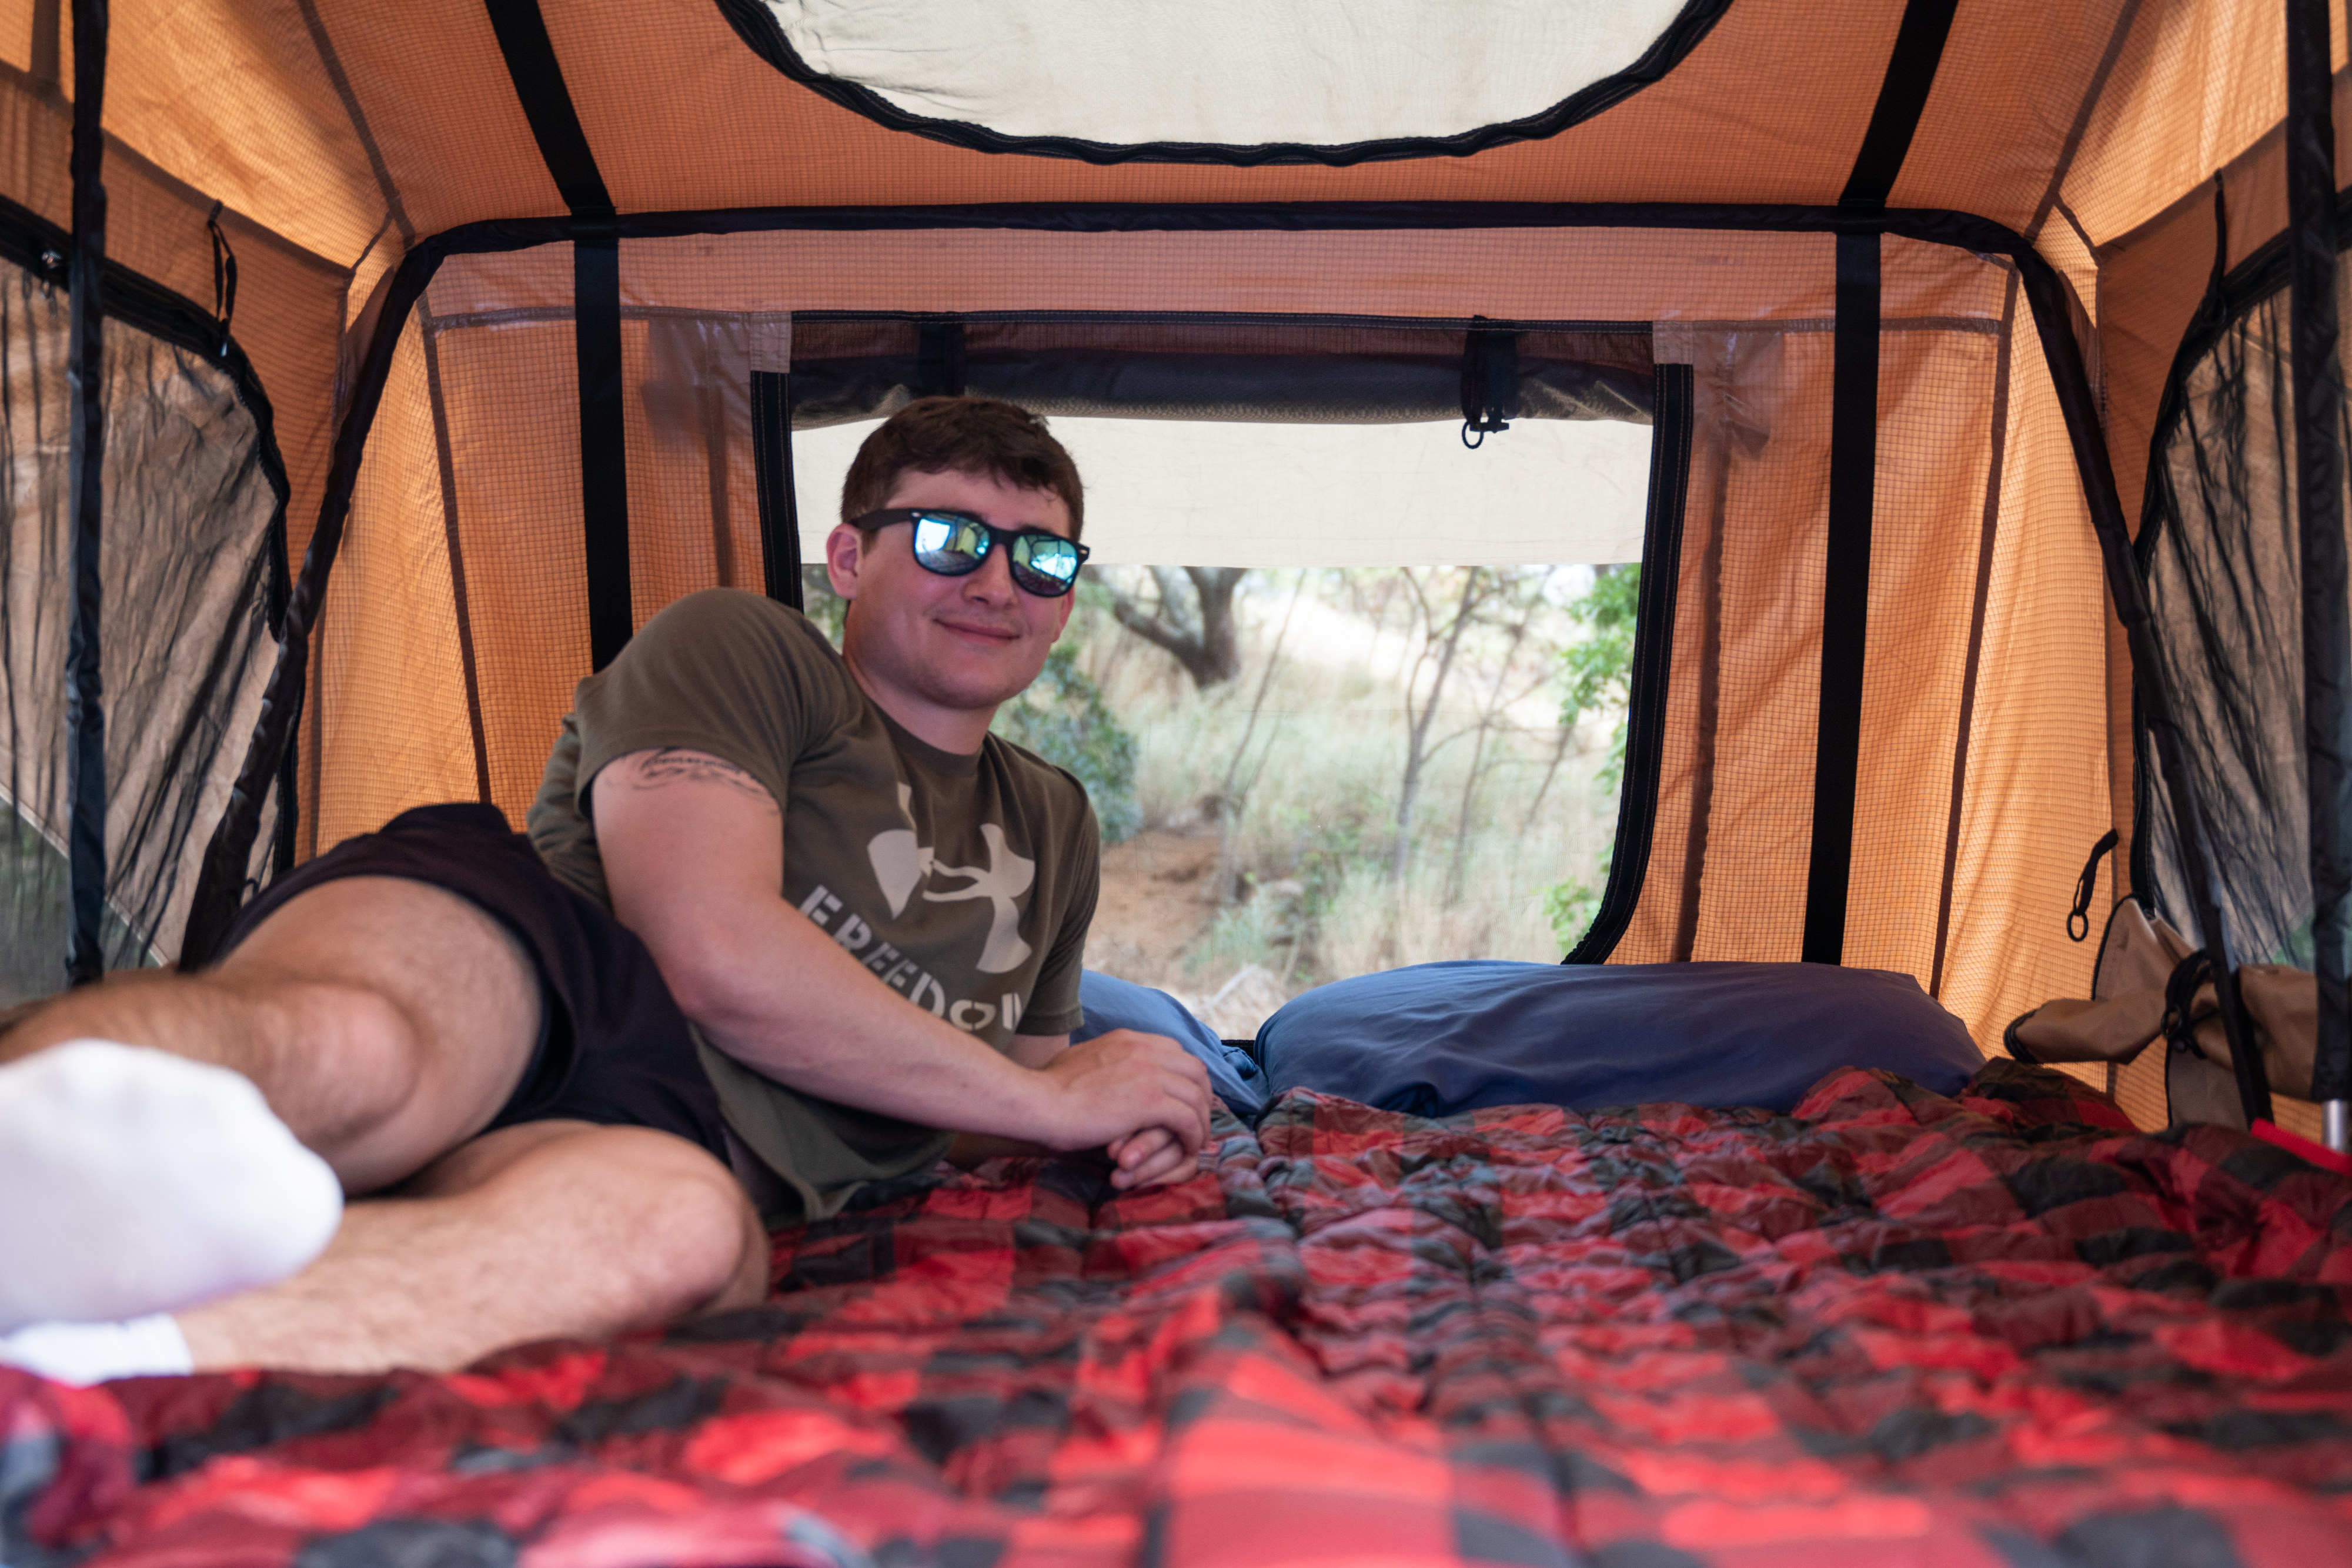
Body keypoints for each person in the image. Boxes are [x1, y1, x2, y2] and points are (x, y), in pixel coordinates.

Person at [0, 396, 1213, 1383]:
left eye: (1043, 557)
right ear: (848, 556)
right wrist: (1048, 1098)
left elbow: (1003, 1094)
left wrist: (1120, 1103)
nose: (1000, 582)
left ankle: (72, 1363)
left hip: (696, 1139)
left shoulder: (1053, 818)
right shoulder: (751, 645)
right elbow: (707, 945)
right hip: (550, 954)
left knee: (669, 1236)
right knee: (352, 1047)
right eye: (954, 538)